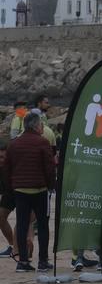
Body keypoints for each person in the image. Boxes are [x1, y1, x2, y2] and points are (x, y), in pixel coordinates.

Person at [6, 111, 55, 273]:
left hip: (20, 190)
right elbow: (49, 168)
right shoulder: (42, 143)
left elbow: (7, 168)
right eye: (41, 124)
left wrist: (12, 186)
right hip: (40, 189)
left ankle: (23, 261)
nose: (42, 126)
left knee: (21, 224)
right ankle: (42, 261)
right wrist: (51, 185)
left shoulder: (14, 144)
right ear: (36, 125)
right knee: (42, 225)